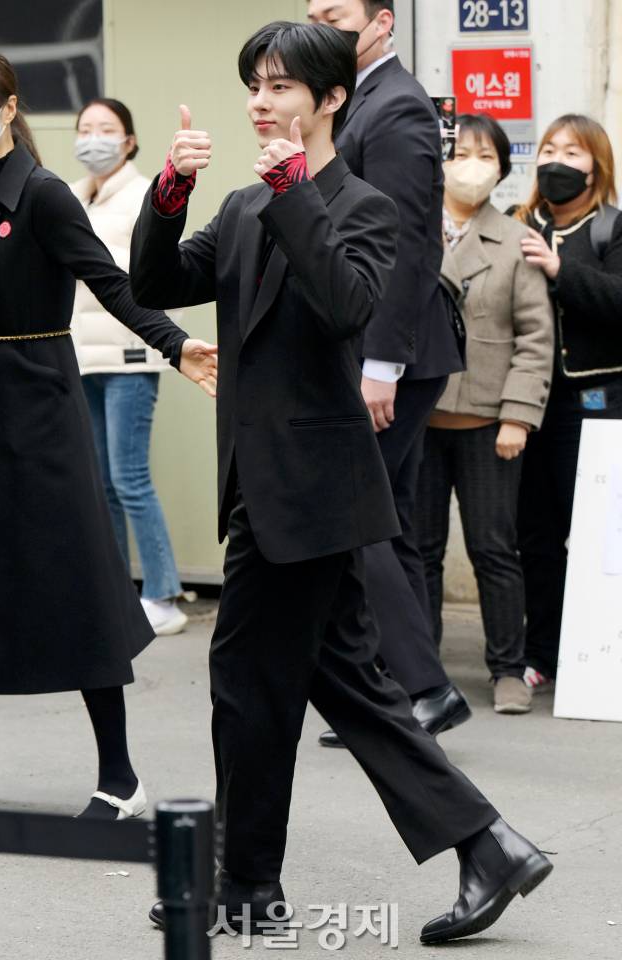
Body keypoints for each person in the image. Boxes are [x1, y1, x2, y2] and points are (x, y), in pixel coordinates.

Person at [133, 21, 552, 945]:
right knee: (346, 687)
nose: (261, 101)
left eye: (282, 86)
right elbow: (157, 278)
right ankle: (490, 847)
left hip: (312, 493)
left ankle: (246, 884)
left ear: (329, 101)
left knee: (248, 684)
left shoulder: (361, 205)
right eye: (255, 84)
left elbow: (348, 307)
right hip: (269, 488)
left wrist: (291, 189)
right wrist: (171, 190)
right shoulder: (244, 206)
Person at [0, 48, 217, 821]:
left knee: (79, 585)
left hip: (39, 408)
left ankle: (120, 776)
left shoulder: (44, 194)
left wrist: (176, 344)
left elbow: (112, 284)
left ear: (10, 107)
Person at [307, 0, 471, 746]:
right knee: (390, 522)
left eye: (333, 12)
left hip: (395, 354)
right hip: (386, 350)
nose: (318, 22)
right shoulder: (359, 98)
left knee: (354, 510)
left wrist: (381, 365)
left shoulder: (397, 106)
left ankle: (426, 689)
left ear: (380, 23)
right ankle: (401, 690)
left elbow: (409, 247)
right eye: (309, 11)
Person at [415, 114, 554, 715]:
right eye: (460, 152)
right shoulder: (409, 229)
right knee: (418, 550)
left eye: (485, 154)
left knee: (494, 548)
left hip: (487, 421)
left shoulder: (514, 239)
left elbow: (535, 337)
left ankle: (506, 668)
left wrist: (518, 416)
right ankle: (420, 672)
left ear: (501, 167)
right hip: (416, 420)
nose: (471, 164)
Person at [71, 97, 187, 637]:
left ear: (130, 141)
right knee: (102, 482)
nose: (94, 137)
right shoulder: (73, 196)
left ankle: (163, 593)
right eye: (85, 128)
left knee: (130, 477)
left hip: (130, 355)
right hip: (83, 357)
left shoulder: (145, 194)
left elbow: (140, 271)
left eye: (106, 129)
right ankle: (116, 591)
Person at [515, 114, 622, 690]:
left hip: (597, 402)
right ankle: (542, 652)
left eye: (573, 153)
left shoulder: (612, 228)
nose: (558, 161)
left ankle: (599, 656)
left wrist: (561, 269)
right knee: (534, 533)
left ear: (596, 167)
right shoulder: (517, 224)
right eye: (550, 150)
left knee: (597, 534)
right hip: (529, 406)